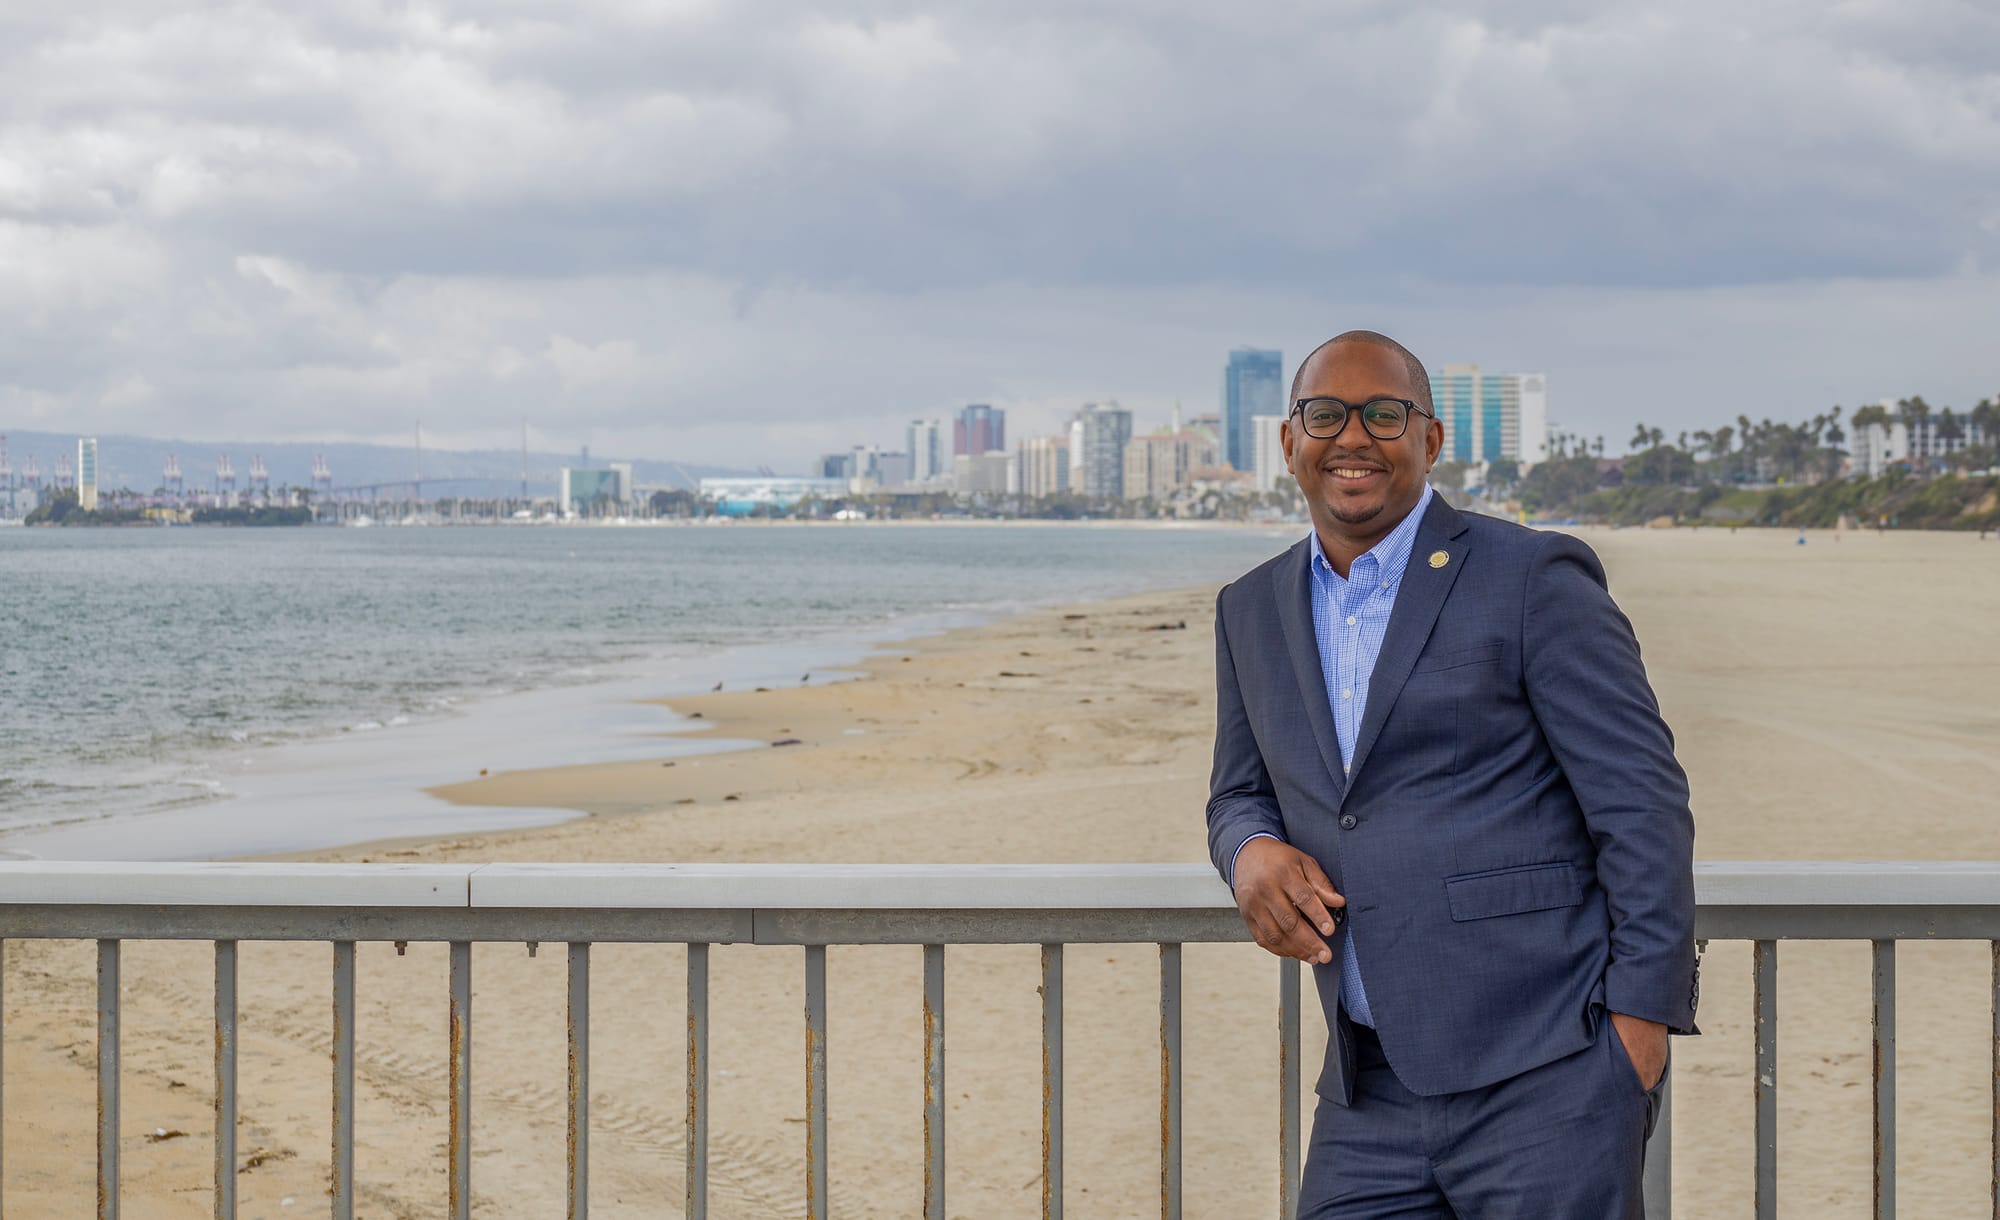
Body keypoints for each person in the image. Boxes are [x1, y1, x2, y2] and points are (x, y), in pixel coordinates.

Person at [1206, 331, 1697, 1217]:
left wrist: (1639, 1030)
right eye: (1325, 414)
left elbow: (1643, 801)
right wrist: (1250, 853)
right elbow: (1239, 790)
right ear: (1289, 443)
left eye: (1385, 414)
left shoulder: (1530, 575)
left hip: (1547, 1075)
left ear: (1431, 441)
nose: (1352, 436)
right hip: (1366, 1088)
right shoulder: (1249, 609)